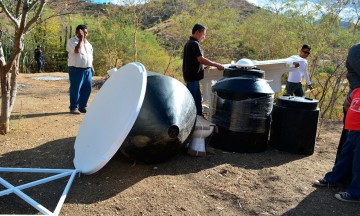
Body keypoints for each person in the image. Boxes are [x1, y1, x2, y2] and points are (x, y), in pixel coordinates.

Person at [314, 88, 360, 203]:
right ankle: (332, 179)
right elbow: (346, 104)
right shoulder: (356, 91)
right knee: (344, 158)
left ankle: (355, 193)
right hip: (351, 131)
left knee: (358, 164)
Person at [182, 24, 224, 116]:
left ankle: (199, 117)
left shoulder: (189, 43)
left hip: (192, 77)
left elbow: (194, 61)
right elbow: (201, 59)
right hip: (192, 78)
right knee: (190, 101)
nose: (204, 37)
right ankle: (189, 120)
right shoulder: (194, 44)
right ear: (197, 32)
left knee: (197, 100)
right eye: (203, 34)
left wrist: (203, 67)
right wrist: (216, 65)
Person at [66, 24, 95, 114]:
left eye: (86, 32)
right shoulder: (72, 41)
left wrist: (92, 67)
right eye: (82, 32)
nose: (85, 34)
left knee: (87, 89)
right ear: (77, 32)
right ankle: (74, 107)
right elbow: (77, 51)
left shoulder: (88, 44)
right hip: (76, 69)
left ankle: (82, 106)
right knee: (76, 88)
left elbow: (90, 57)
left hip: (87, 69)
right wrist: (81, 39)